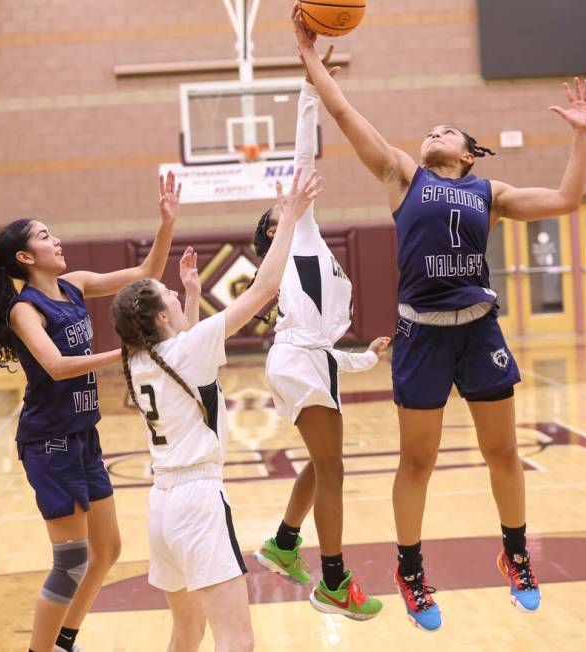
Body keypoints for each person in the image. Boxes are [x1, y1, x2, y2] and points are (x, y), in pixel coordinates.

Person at [292, 6, 586, 631]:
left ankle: (515, 556)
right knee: (418, 463)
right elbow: (350, 118)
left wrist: (581, 135)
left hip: (479, 328)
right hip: (422, 335)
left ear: (467, 154)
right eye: (430, 130)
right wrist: (311, 63)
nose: (434, 133)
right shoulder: (402, 173)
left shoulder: (491, 194)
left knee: (503, 452)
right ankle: (410, 569)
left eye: (446, 131)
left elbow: (567, 200)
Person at [0, 173, 182, 652]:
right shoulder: (26, 309)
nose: (56, 240)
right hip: (48, 441)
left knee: (109, 551)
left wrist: (166, 223)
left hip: (83, 435)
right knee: (72, 559)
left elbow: (148, 272)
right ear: (25, 257)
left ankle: (64, 640)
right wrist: (125, 355)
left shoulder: (73, 286)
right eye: (44, 235)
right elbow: (56, 367)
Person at [111, 169, 322, 652]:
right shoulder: (188, 349)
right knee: (236, 641)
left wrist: (187, 291)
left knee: (186, 634)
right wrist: (288, 217)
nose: (175, 292)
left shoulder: (141, 359)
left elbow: (185, 342)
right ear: (161, 317)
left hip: (162, 506)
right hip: (197, 502)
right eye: (168, 294)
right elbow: (264, 287)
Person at [248, 46, 389, 620]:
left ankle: (284, 544)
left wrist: (366, 359)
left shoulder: (316, 251)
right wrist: (311, 89)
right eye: (275, 211)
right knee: (332, 468)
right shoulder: (295, 236)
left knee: (319, 464)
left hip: (311, 362)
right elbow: (303, 154)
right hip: (297, 363)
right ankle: (333, 582)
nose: (285, 203)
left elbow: (325, 347)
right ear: (275, 228)